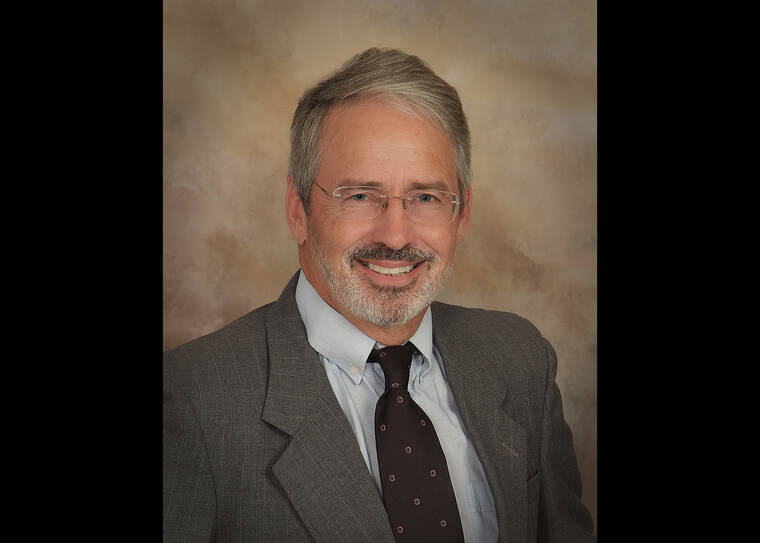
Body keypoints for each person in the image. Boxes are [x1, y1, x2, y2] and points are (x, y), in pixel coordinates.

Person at [163, 47, 595, 543]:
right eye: (360, 196)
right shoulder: (194, 401)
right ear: (298, 210)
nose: (395, 235)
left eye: (425, 197)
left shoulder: (520, 360)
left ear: (462, 215)